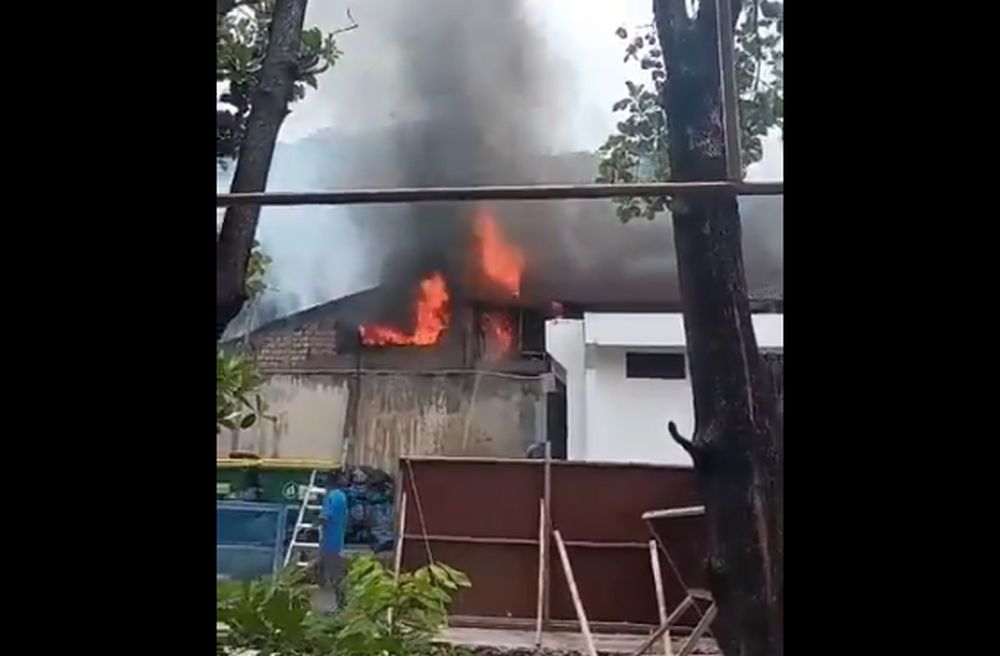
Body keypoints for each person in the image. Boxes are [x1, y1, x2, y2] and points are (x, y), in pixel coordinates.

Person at [315, 471, 348, 612]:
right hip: (339, 539)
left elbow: (325, 516)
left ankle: (341, 605)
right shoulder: (342, 496)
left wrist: (313, 524)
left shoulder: (330, 497)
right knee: (324, 570)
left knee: (334, 576)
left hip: (330, 541)